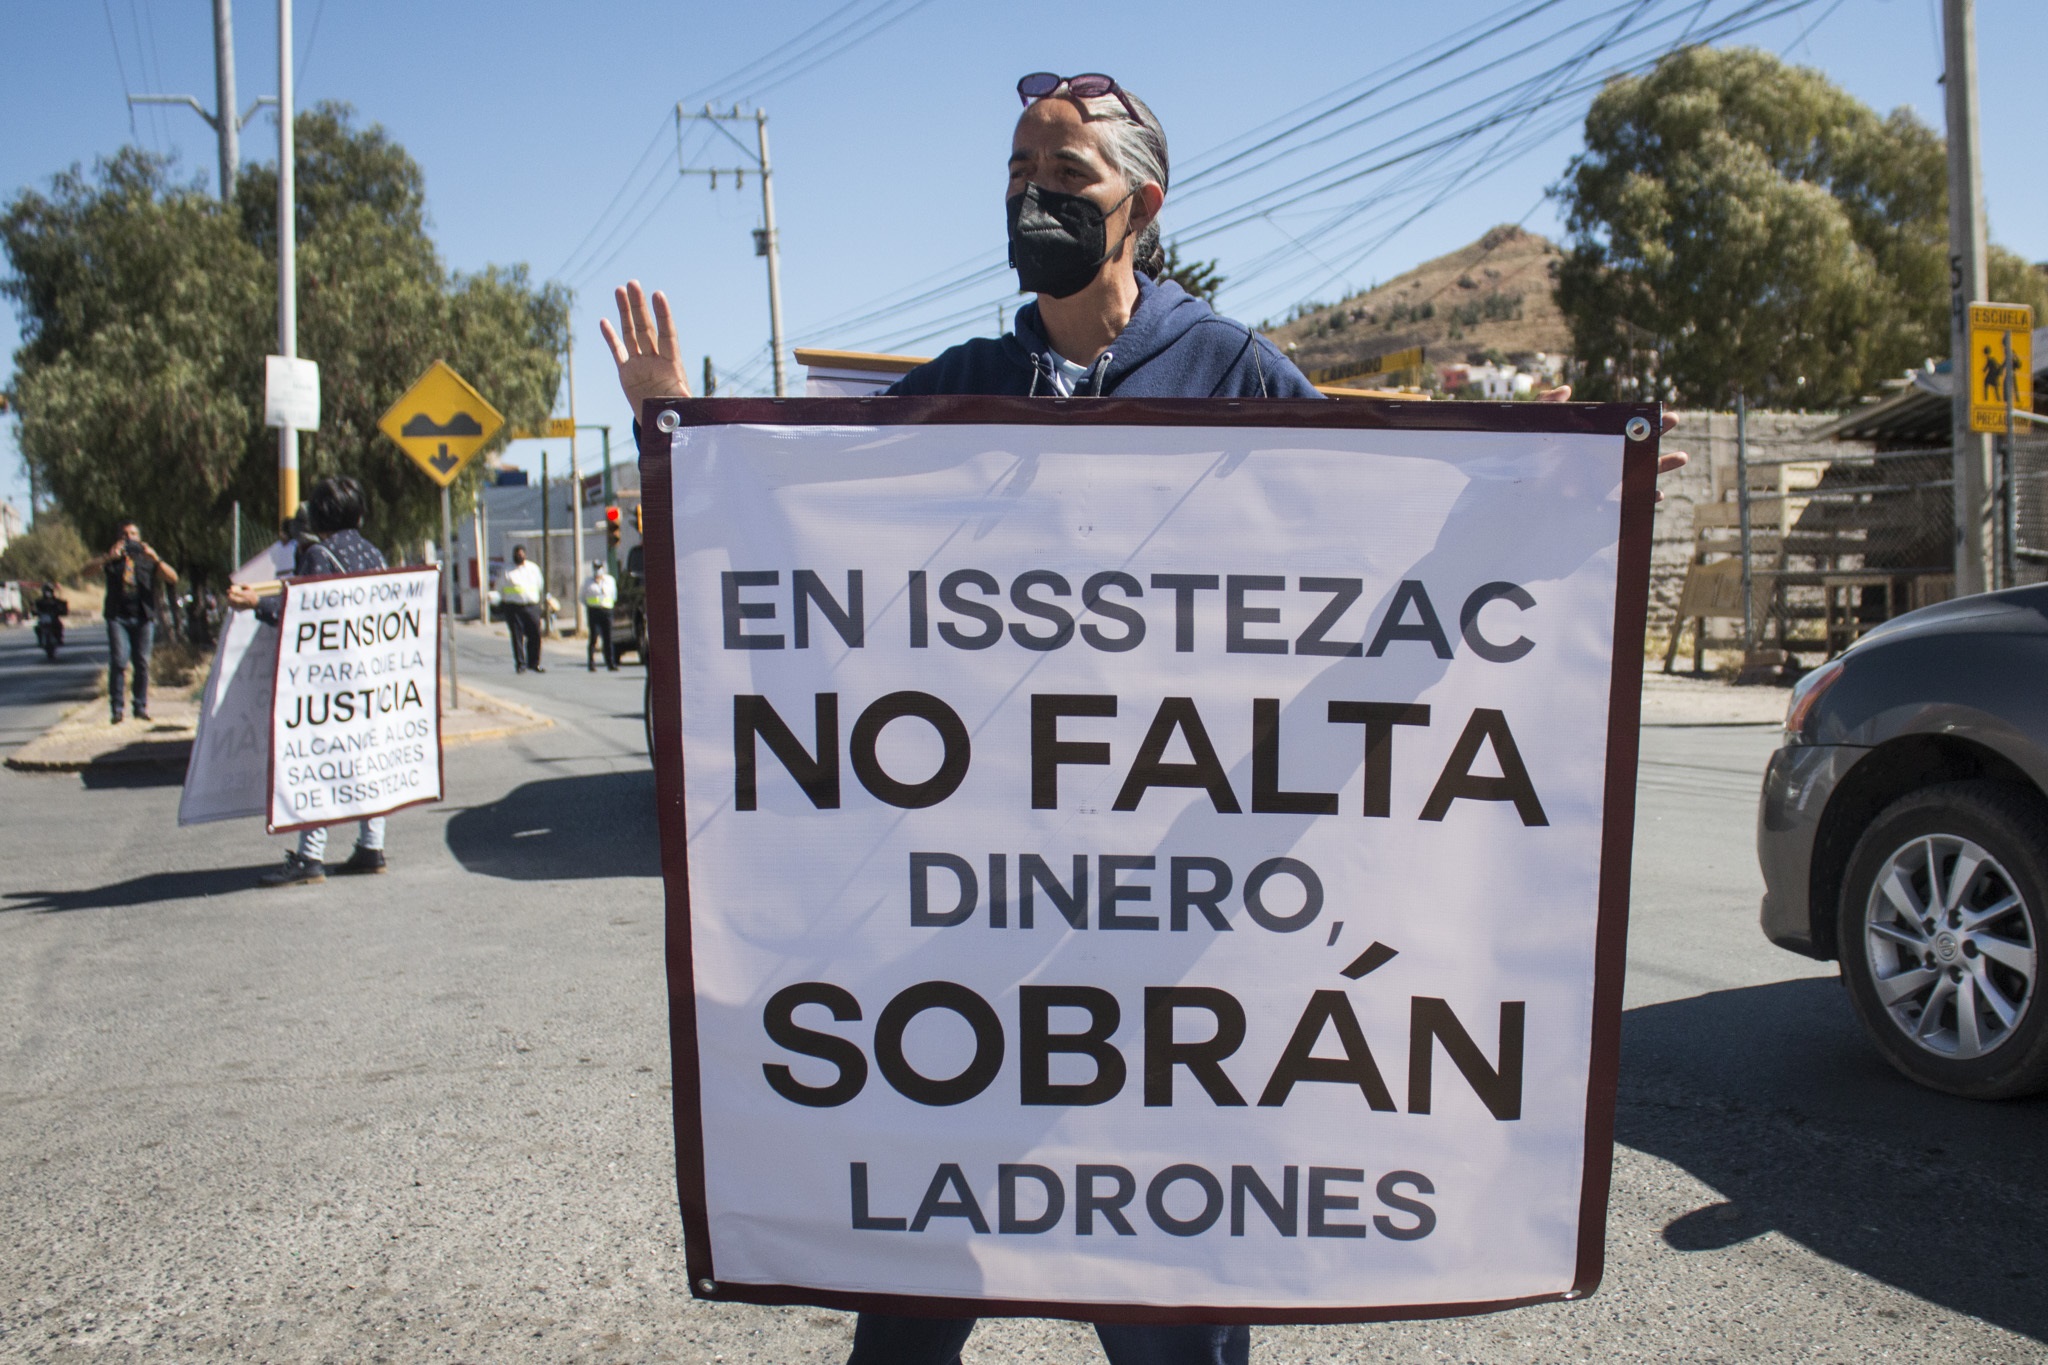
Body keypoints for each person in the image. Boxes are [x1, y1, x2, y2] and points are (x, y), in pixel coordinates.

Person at [602, 71, 1689, 1365]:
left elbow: (1377, 535)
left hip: (1172, 939)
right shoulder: (965, 382)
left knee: (1166, 1281)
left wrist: (1563, 492)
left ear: (1143, 206)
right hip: (980, 924)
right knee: (908, 1263)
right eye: (1018, 173)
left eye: (1066, 177)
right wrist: (681, 441)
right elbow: (803, 525)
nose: (1034, 198)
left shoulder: (1231, 370)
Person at [226, 476, 392, 888]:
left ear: (318, 515)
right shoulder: (376, 556)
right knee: (366, 759)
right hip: (371, 677)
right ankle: (371, 846)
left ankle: (309, 856)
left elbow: (301, 611)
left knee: (316, 761)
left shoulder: (320, 555)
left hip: (327, 681)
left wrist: (254, 603)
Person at [90, 518, 178, 723]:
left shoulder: (148, 559)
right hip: (117, 617)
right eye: (124, 534)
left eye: (133, 534)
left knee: (142, 663)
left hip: (143, 616)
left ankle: (140, 707)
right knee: (119, 661)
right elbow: (86, 570)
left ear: (140, 537)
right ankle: (117, 710)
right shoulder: (113, 559)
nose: (129, 538)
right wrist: (107, 557)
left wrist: (156, 559)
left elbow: (172, 578)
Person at [501, 545, 546, 673]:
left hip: (531, 606)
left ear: (525, 555)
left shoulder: (533, 569)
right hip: (514, 607)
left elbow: (539, 585)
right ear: (513, 555)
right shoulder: (507, 570)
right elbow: (500, 588)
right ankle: (521, 664)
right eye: (517, 554)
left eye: (522, 554)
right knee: (517, 636)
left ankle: (534, 663)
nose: (519, 556)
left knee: (536, 634)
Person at [582, 559, 618, 671]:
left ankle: (610, 663)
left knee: (608, 638)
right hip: (594, 612)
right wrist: (591, 605)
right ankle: (591, 663)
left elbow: (614, 596)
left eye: (599, 567)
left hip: (607, 611)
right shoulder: (588, 582)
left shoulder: (609, 580)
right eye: (596, 568)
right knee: (593, 638)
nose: (598, 570)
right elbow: (582, 597)